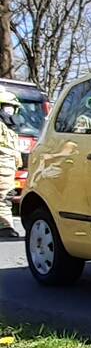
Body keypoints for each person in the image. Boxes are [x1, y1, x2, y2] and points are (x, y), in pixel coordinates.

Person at [0, 91, 23, 239]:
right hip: (3, 167)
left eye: (12, 108)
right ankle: (5, 227)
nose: (11, 112)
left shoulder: (9, 130)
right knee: (3, 197)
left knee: (5, 196)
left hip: (8, 168)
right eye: (7, 108)